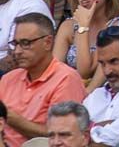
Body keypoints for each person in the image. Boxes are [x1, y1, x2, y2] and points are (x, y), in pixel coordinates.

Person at [0, 13, 87, 147]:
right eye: (15, 44)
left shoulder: (66, 78)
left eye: (25, 43)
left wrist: (10, 117)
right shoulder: (9, 78)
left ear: (47, 42)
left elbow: (63, 136)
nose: (17, 51)